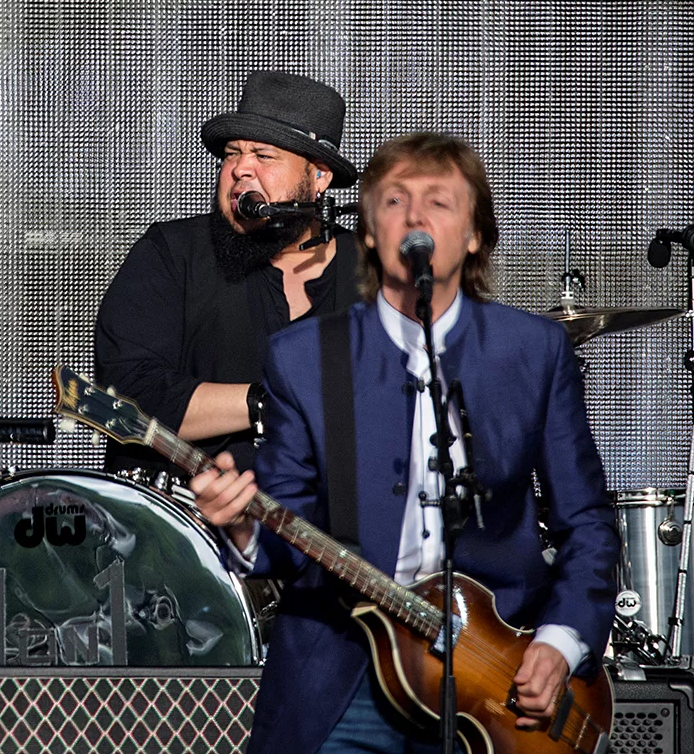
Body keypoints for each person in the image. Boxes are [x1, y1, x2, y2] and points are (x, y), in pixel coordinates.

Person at [191, 132, 618, 754]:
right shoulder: (305, 359)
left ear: (474, 236)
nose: (416, 218)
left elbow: (587, 523)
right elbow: (287, 528)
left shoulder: (532, 351)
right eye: (395, 202)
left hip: (498, 671)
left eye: (439, 202)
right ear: (368, 233)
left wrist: (560, 643)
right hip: (347, 671)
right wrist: (241, 526)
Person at [95, 71, 362, 477]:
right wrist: (268, 404)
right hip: (188, 512)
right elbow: (125, 394)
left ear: (319, 176)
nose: (240, 169)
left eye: (263, 156)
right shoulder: (172, 253)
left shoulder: (373, 271)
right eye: (232, 154)